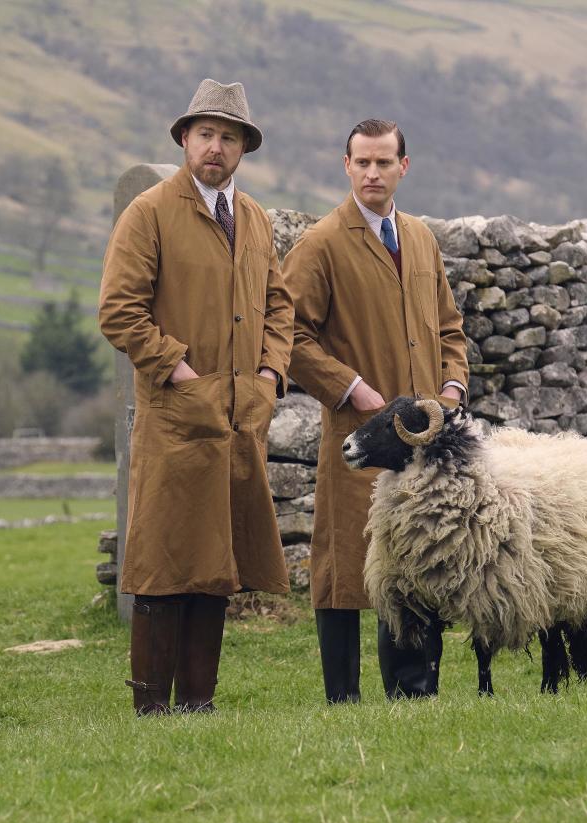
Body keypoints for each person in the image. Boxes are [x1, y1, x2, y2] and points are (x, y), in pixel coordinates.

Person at [98, 79, 293, 715]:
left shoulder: (257, 220)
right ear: (185, 139)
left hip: (239, 419)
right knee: (162, 563)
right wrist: (178, 368)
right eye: (205, 134)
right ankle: (152, 708)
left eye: (228, 137)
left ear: (243, 149)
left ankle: (198, 704)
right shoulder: (150, 213)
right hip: (176, 418)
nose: (215, 147)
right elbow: (118, 312)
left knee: (217, 563)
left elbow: (279, 307)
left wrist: (270, 376)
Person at [282, 119, 469, 703]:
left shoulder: (419, 239)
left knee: (414, 560)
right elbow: (287, 335)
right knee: (343, 565)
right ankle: (342, 696)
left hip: (421, 445)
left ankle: (413, 690)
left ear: (403, 167)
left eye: (384, 162)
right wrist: (352, 388)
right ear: (346, 166)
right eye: (362, 162)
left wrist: (453, 390)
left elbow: (449, 328)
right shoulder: (321, 244)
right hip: (357, 437)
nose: (372, 173)